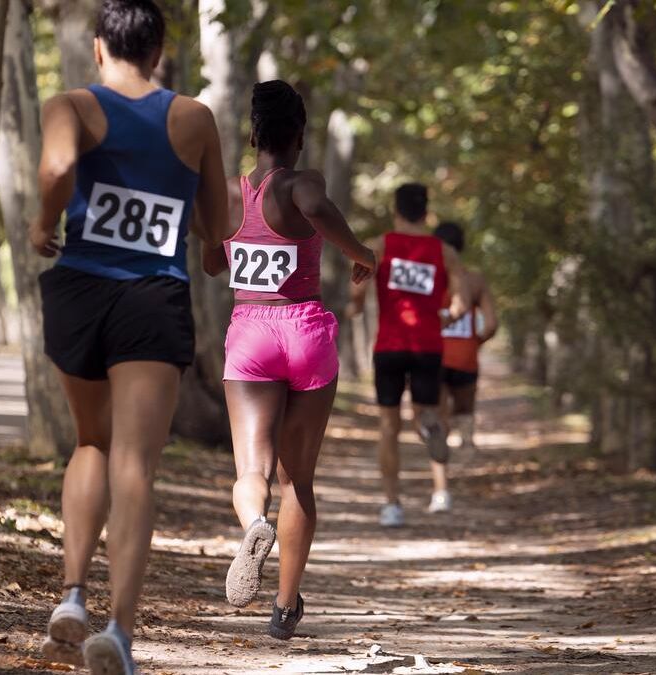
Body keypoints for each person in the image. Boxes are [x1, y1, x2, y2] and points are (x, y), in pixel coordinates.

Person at [28, 1, 228, 671]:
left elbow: (57, 170)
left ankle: (72, 592)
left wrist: (43, 222)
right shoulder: (194, 117)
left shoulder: (72, 106)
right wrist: (208, 251)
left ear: (98, 48)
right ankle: (117, 629)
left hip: (79, 289)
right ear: (160, 50)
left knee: (91, 440)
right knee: (136, 462)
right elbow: (216, 221)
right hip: (151, 297)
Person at [202, 80, 376, 640]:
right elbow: (318, 208)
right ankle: (284, 606)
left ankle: (255, 524)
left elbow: (210, 262)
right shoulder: (304, 182)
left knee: (252, 470)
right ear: (298, 135)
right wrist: (361, 254)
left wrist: (225, 241)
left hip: (250, 334)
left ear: (252, 134)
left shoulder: (228, 192)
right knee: (298, 478)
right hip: (304, 331)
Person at [347, 184, 466, 527]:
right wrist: (445, 316)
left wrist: (354, 307)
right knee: (427, 413)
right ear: (427, 213)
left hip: (390, 347)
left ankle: (391, 505)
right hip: (428, 346)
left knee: (388, 426)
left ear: (396, 211)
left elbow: (358, 293)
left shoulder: (381, 246)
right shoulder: (445, 252)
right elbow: (458, 303)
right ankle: (433, 441)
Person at [432, 222, 497, 507]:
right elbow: (492, 324)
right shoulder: (475, 281)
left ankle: (441, 489)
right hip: (465, 360)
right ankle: (466, 438)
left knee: (436, 421)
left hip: (431, 358)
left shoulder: (428, 279)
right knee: (464, 412)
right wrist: (474, 342)